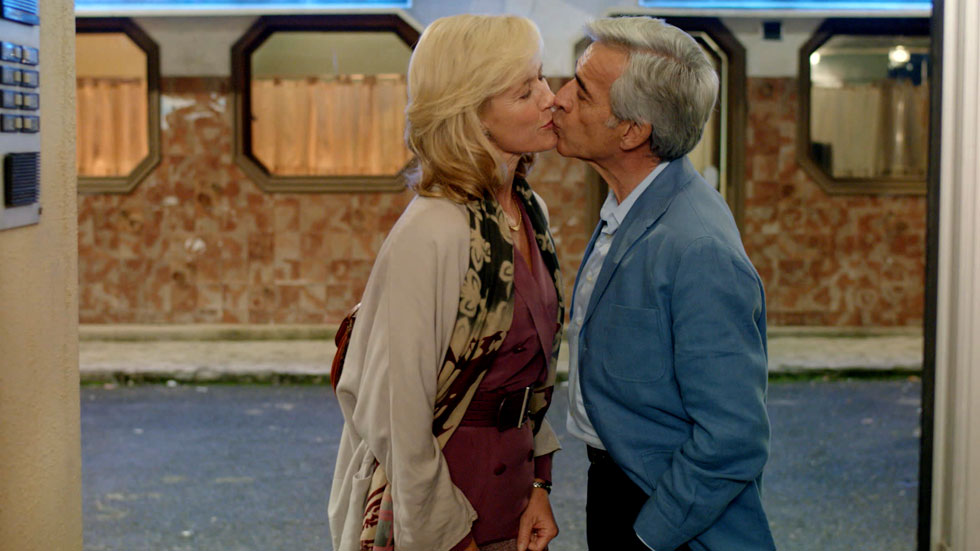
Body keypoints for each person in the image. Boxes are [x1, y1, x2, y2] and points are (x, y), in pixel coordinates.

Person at [328, 14, 565, 551]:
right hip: (447, 508)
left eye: (541, 78)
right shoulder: (433, 229)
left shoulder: (530, 210)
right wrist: (447, 537)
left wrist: (539, 484)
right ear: (471, 116)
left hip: (513, 500)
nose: (550, 98)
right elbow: (396, 416)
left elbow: (530, 376)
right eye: (525, 91)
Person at [553, 16, 775, 551]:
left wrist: (647, 538)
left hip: (666, 514)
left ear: (632, 131)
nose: (557, 99)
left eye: (581, 92)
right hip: (620, 484)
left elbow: (733, 436)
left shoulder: (697, 246)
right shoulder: (632, 206)